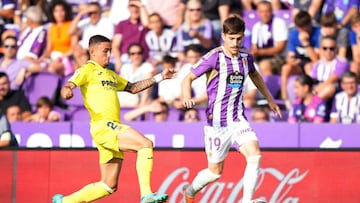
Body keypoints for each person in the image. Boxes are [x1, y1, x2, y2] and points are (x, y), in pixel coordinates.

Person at [52, 35, 174, 203]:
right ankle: (146, 194)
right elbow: (69, 84)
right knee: (145, 144)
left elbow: (132, 87)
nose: (109, 55)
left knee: (108, 185)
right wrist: (67, 91)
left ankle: (64, 201)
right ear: (92, 51)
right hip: (104, 126)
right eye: (105, 51)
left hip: (109, 128)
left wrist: (160, 77)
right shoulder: (87, 70)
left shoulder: (110, 74)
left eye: (110, 51)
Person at [181, 16, 282, 203]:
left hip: (238, 119)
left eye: (239, 38)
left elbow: (255, 75)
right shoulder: (214, 57)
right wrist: (187, 97)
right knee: (215, 173)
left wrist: (270, 99)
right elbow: (187, 78)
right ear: (223, 36)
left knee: (255, 155)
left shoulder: (246, 58)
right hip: (217, 124)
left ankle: (246, 201)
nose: (235, 43)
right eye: (231, 38)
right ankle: (190, 190)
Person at [280, 10, 321, 106]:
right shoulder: (294, 34)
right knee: (286, 68)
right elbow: (290, 56)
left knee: (308, 66)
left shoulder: (318, 33)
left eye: (304, 28)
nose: (302, 31)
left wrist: (306, 43)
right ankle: (285, 99)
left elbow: (316, 59)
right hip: (299, 63)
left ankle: (311, 97)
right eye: (299, 28)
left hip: (312, 63)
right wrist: (291, 60)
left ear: (309, 24)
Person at [250, 0, 288, 76]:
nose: (264, 14)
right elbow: (254, 48)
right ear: (258, 12)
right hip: (261, 58)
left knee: (264, 65)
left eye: (267, 11)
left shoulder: (279, 23)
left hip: (280, 58)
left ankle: (267, 87)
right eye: (262, 11)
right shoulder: (256, 27)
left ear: (271, 11)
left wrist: (259, 52)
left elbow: (280, 48)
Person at [112, 0, 149, 73]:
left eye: (137, 6)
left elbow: (147, 23)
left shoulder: (144, 23)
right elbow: (115, 45)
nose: (135, 9)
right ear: (128, 8)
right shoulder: (122, 24)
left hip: (141, 57)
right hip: (126, 57)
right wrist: (118, 60)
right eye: (132, 6)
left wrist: (141, 6)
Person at [310, 35, 350, 101]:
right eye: (325, 48)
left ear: (336, 49)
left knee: (329, 88)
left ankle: (313, 105)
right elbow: (312, 79)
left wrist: (315, 90)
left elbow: (332, 80)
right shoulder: (317, 64)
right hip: (317, 89)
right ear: (321, 49)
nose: (328, 51)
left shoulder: (342, 62)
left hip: (334, 91)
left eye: (331, 48)